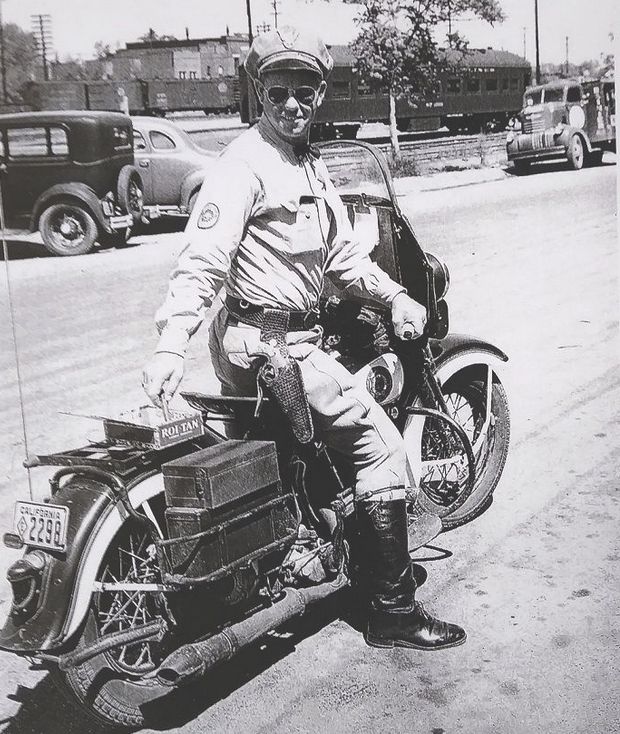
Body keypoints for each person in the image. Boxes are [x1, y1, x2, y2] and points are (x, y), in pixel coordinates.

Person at [142, 26, 466, 651]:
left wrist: (394, 295)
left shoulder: (306, 160)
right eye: (280, 92)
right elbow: (203, 264)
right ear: (258, 93)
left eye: (306, 91)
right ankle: (393, 613)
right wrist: (168, 347)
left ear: (321, 94)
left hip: (283, 339)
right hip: (271, 346)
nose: (294, 104)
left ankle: (317, 530)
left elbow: (342, 253)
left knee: (313, 444)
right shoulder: (242, 167)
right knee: (379, 446)